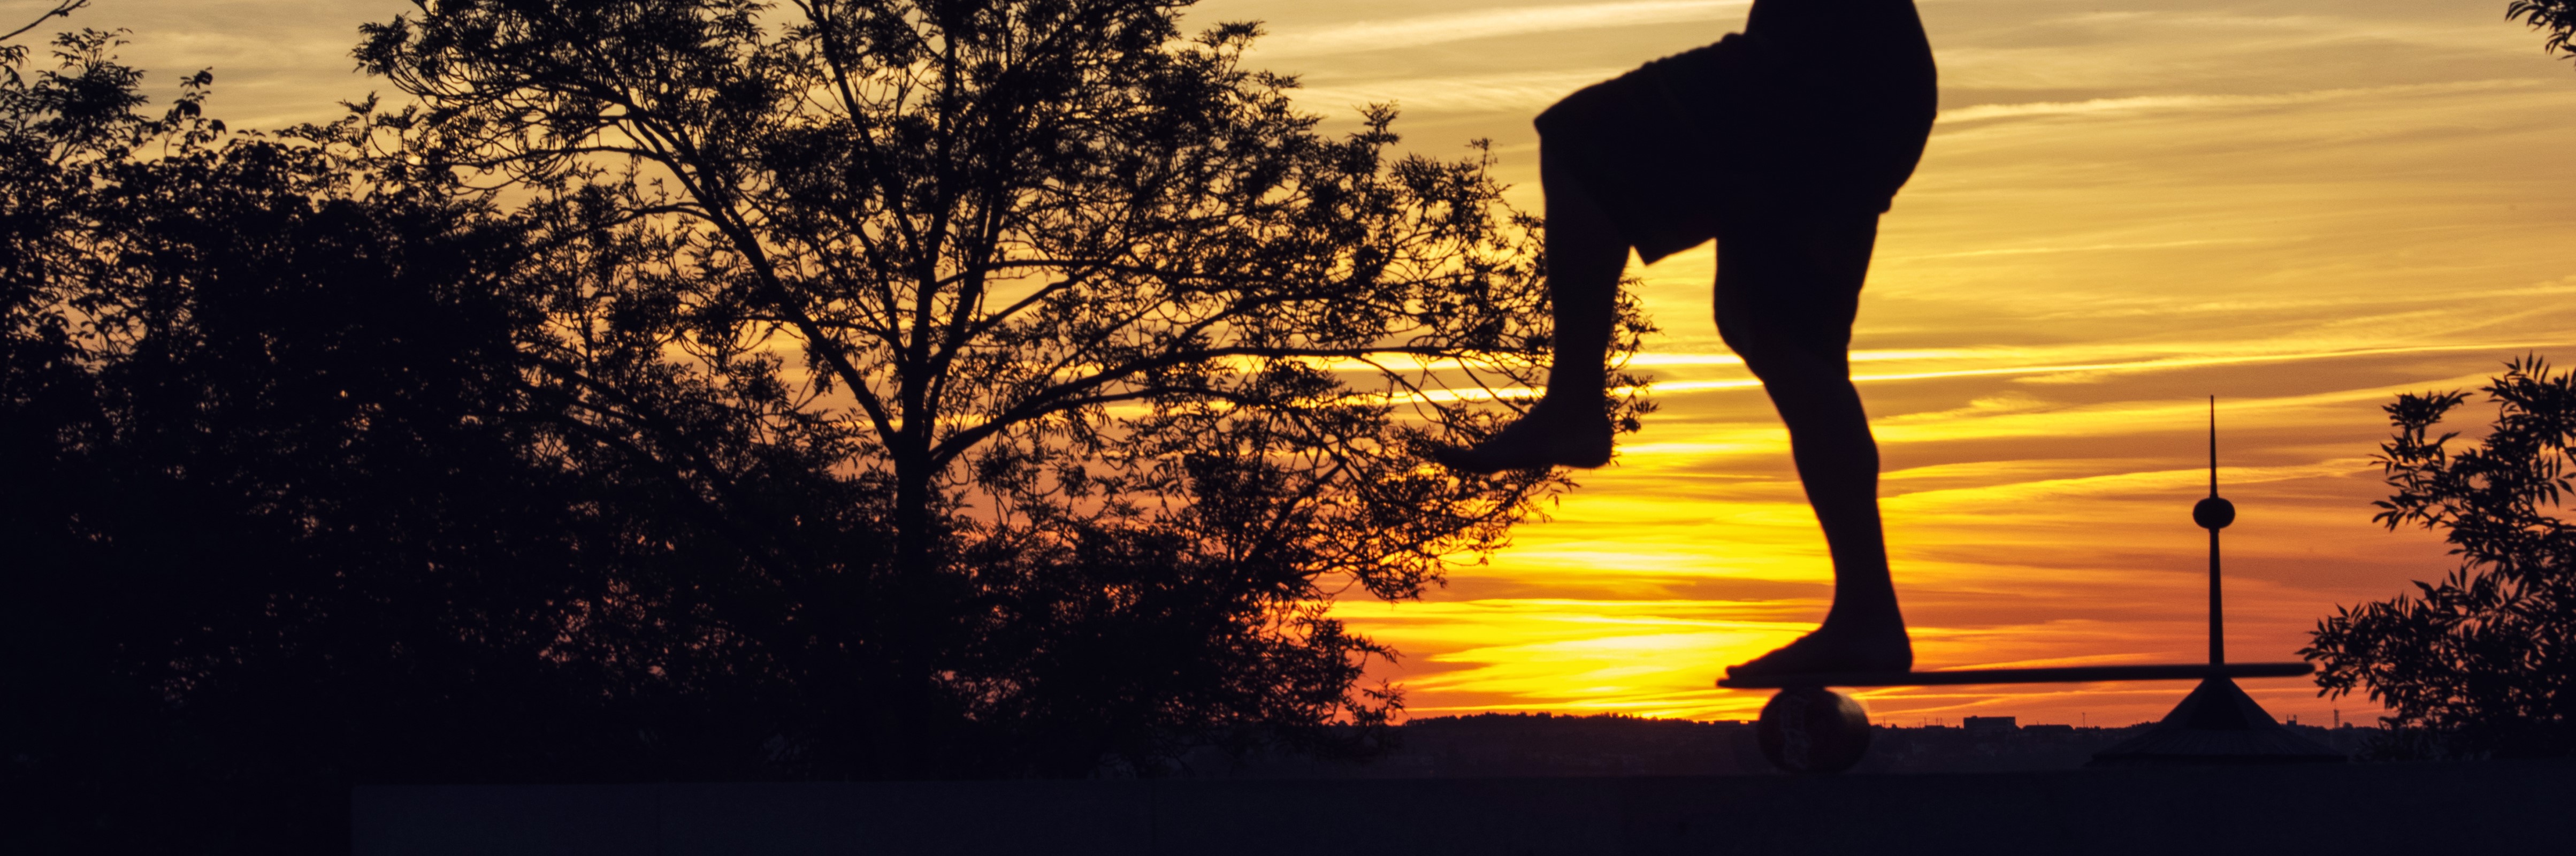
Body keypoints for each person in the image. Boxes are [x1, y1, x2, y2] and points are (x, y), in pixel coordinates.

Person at [1431, 0, 1937, 677]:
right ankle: (1869, 616)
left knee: (1585, 139)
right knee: (1778, 331)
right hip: (1864, 78)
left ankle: (1575, 405)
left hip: (1824, 63)